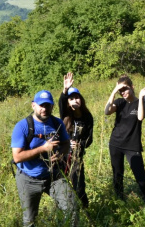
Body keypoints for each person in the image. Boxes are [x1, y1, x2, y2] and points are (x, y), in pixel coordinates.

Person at [11, 90, 76, 226]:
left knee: (72, 208)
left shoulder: (57, 123)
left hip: (53, 176)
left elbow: (65, 144)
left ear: (52, 106)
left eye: (48, 105)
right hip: (28, 178)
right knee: (29, 220)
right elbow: (17, 157)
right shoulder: (23, 126)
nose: (44, 109)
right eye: (41, 105)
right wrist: (43, 148)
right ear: (33, 105)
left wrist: (60, 154)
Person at [104, 75, 145, 202]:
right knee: (117, 174)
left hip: (132, 145)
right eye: (121, 90)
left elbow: (140, 117)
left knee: (140, 174)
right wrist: (114, 91)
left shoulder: (141, 102)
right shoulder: (119, 102)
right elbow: (107, 111)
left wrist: (141, 97)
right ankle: (120, 200)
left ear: (132, 87)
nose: (123, 92)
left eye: (125, 89)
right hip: (115, 143)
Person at [59, 72, 94, 208]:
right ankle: (66, 208)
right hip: (62, 155)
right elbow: (61, 102)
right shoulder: (66, 115)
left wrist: (80, 144)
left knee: (79, 185)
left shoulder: (87, 117)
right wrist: (65, 89)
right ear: (68, 102)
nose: (75, 100)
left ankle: (85, 209)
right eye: (71, 98)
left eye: (77, 97)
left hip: (77, 157)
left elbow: (90, 138)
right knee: (62, 183)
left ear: (81, 99)